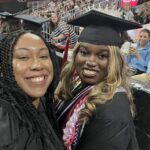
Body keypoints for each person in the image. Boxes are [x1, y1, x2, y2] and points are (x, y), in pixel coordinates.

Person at [55, 10, 141, 150]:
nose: (90, 61)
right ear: (75, 54)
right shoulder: (82, 85)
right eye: (84, 52)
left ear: (114, 61)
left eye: (102, 56)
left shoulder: (111, 111)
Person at [0, 30, 64, 150]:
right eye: (23, 57)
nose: (37, 65)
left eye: (44, 56)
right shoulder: (4, 118)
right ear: (3, 67)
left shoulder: (43, 102)